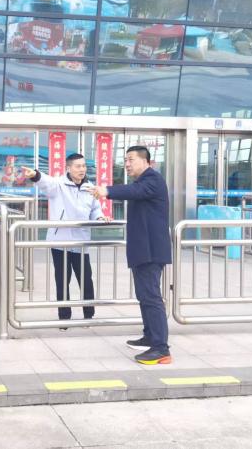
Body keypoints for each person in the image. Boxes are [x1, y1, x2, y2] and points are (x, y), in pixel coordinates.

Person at [92, 146, 172, 365]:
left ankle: (161, 348)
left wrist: (106, 191)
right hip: (142, 250)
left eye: (131, 159)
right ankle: (150, 336)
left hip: (151, 250)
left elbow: (134, 192)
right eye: (125, 160)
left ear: (146, 161)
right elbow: (135, 191)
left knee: (151, 297)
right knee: (144, 296)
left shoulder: (152, 179)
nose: (127, 164)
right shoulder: (142, 182)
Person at [22, 153, 110, 325]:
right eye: (78, 166)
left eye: (84, 166)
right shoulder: (59, 185)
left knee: (86, 280)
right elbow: (46, 182)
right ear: (68, 168)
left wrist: (100, 217)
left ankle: (88, 315)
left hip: (81, 242)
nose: (82, 169)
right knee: (62, 281)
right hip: (60, 242)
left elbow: (95, 209)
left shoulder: (90, 188)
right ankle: (64, 318)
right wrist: (35, 175)